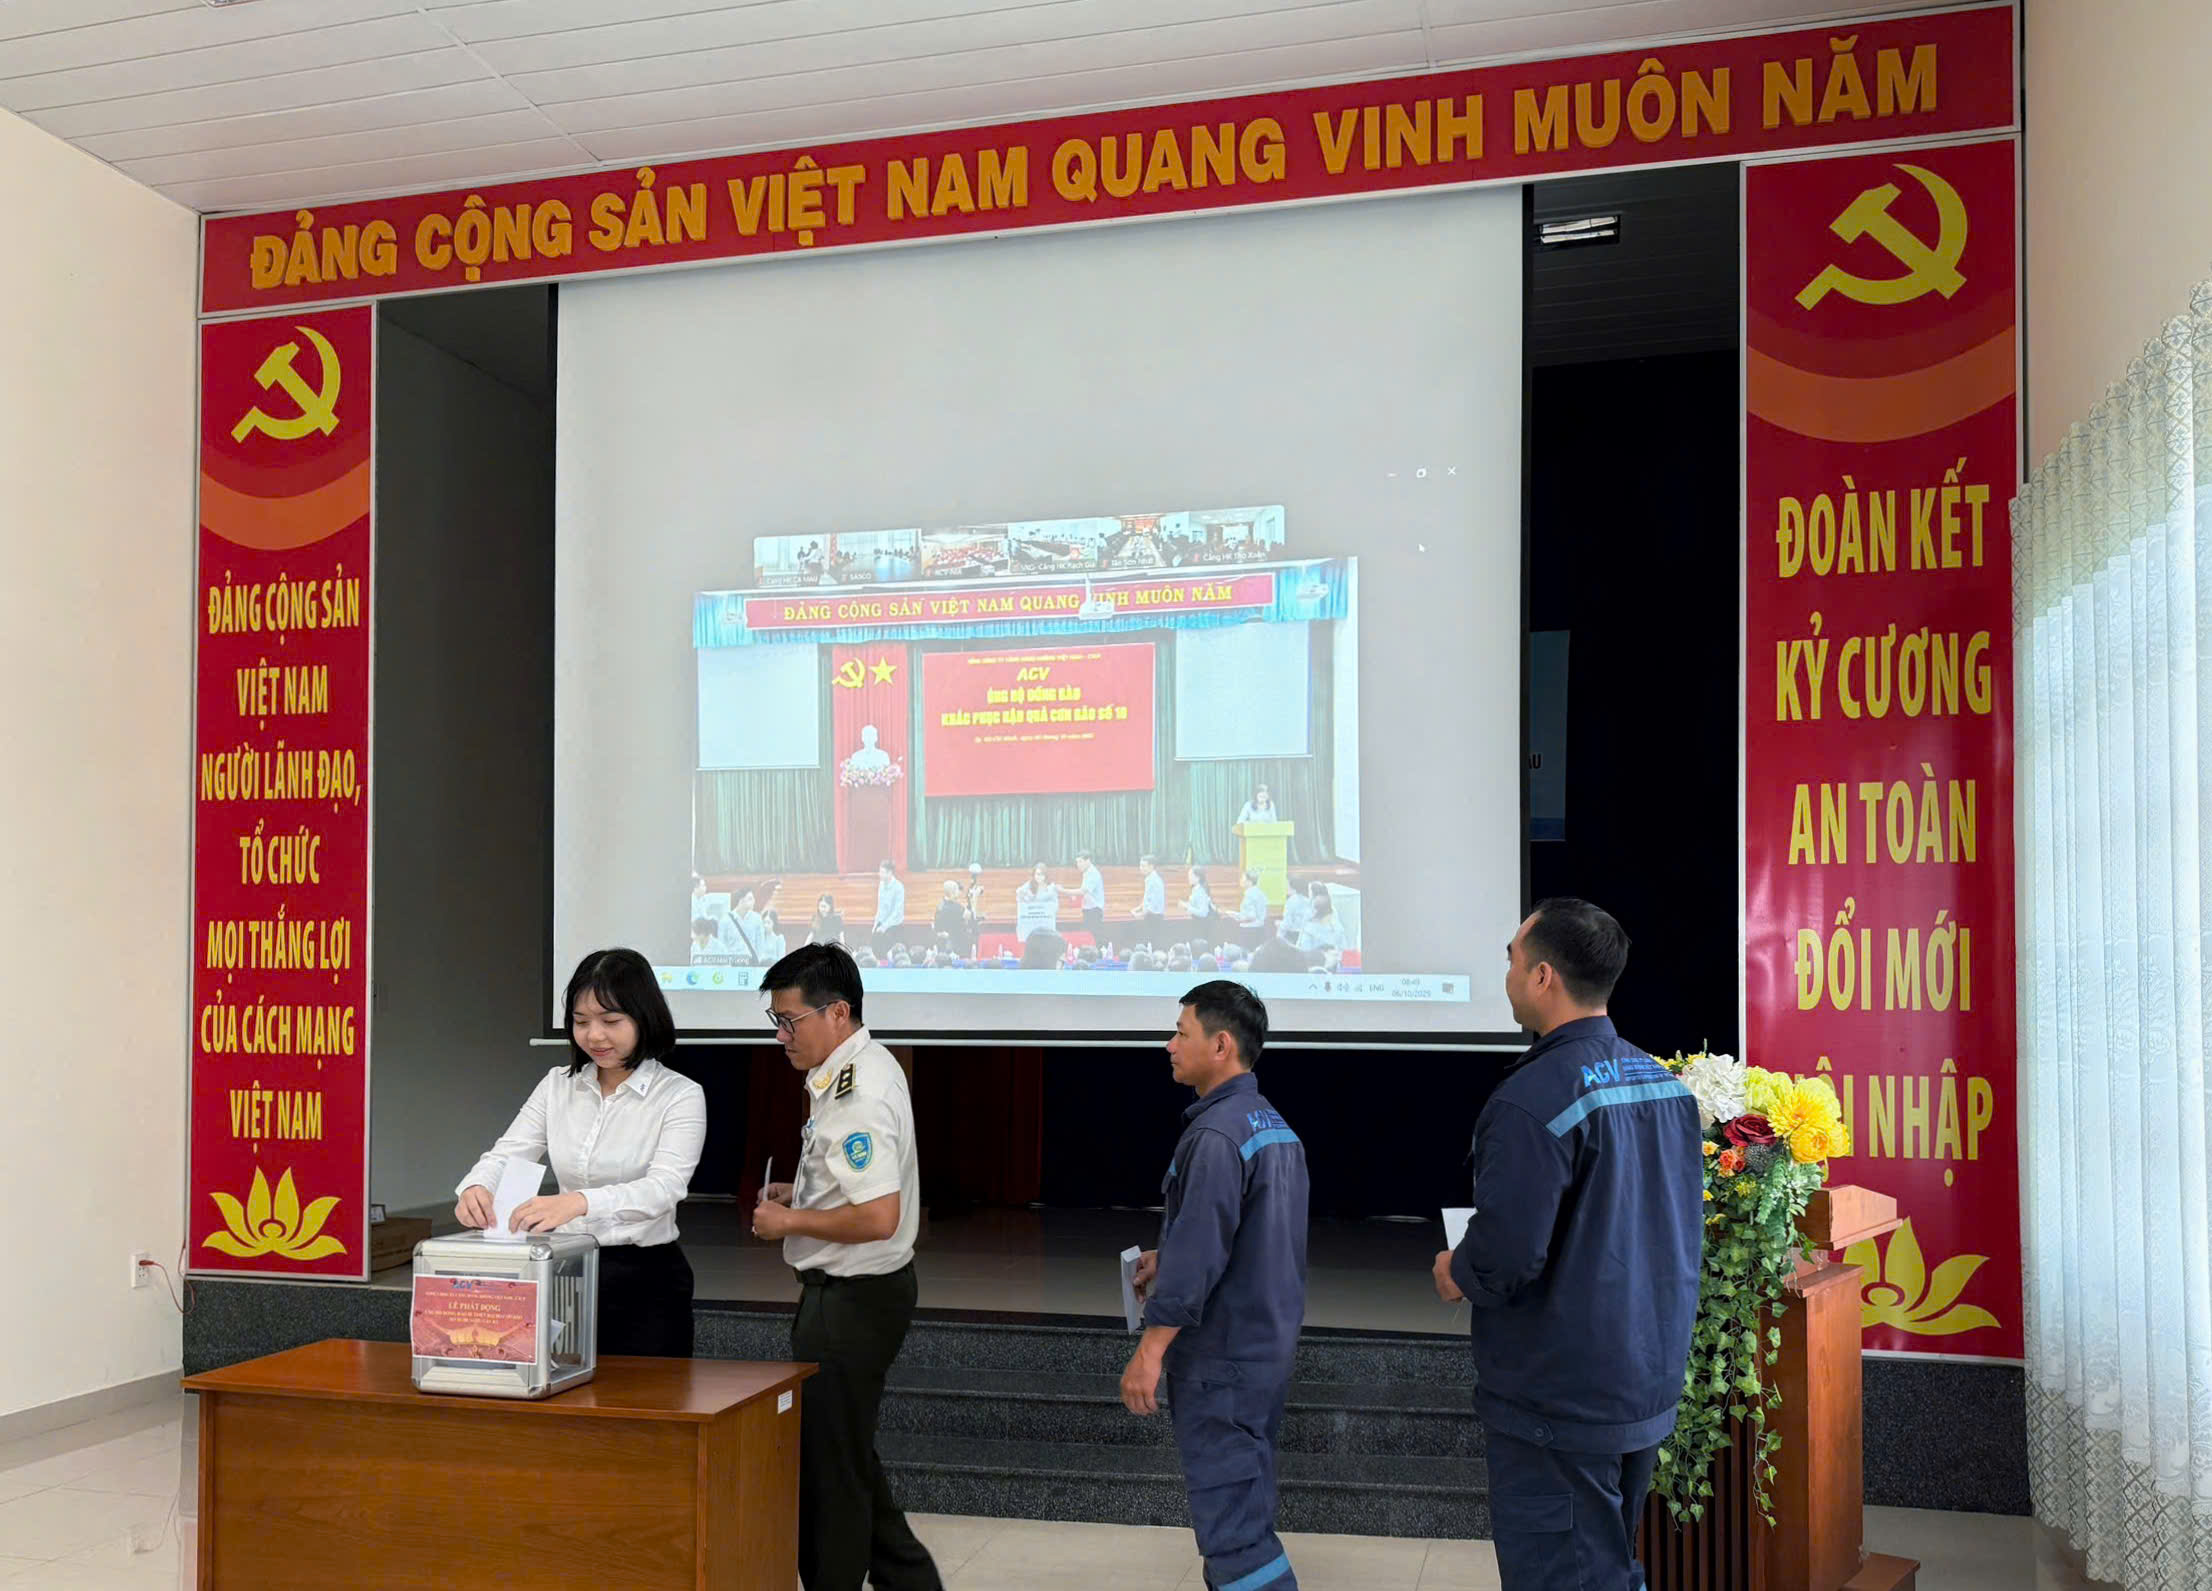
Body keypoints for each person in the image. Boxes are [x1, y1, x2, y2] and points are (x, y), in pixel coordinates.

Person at [1432, 899, 1703, 1590]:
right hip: (1640, 1380)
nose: (1507, 974)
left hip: (1559, 1400)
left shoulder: (1532, 1099)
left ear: (1543, 976)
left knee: (1566, 1574)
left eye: (1511, 959)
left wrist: (1458, 1269)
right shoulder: (1664, 1084)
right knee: (1605, 1564)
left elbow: (1508, 1254)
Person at [750, 945, 942, 1591]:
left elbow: (879, 1215)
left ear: (837, 1012)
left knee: (832, 1475)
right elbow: (852, 1189)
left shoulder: (857, 1092)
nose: (782, 1036)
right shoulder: (856, 1068)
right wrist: (800, 1197)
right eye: (776, 1021)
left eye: (790, 1021)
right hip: (851, 1293)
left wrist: (788, 1222)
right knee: (845, 1453)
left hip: (852, 1299)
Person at [1124, 982, 1308, 1591]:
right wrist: (1170, 1253)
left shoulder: (1215, 1136)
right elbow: (1246, 1238)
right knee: (1242, 1509)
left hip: (1221, 1362)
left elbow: (1203, 1252)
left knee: (1234, 1533)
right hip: (1262, 1353)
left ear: (1221, 1044)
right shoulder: (1273, 1126)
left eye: (1181, 1033)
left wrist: (1150, 1351)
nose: (1169, 1044)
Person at [455, 948, 704, 1357]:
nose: (594, 1036)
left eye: (611, 1021)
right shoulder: (557, 1085)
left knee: (645, 1394)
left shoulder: (680, 1095)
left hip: (645, 1279)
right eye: (581, 1021)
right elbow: (509, 1153)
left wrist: (578, 1202)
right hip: (564, 1268)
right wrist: (476, 1187)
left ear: (644, 1017)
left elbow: (664, 1188)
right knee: (562, 1387)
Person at [871, 859, 905, 959]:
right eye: (879, 871)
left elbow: (896, 912)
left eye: (882, 872)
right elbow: (880, 906)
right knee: (874, 946)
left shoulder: (899, 887)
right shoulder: (881, 884)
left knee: (885, 949)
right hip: (882, 922)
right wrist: (876, 924)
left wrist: (884, 927)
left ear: (890, 873)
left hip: (894, 925)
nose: (879, 874)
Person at [1134, 854, 1167, 940]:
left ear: (1151, 866)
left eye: (1143, 866)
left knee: (1153, 941)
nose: (1141, 868)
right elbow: (1147, 898)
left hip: (1154, 918)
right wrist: (1139, 908)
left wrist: (1140, 914)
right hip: (1151, 916)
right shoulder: (1150, 878)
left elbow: (1153, 904)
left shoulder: (1154, 881)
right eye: (1140, 865)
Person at [1075, 848, 1106, 938]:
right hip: (1090, 910)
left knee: (1093, 937)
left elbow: (1083, 891)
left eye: (1080, 862)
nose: (1078, 865)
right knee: (1089, 936)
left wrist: (1064, 891)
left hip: (1094, 912)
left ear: (1088, 861)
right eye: (1077, 862)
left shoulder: (1092, 874)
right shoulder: (1087, 872)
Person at [933, 879, 968, 945]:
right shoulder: (956, 907)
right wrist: (973, 900)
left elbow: (937, 929)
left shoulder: (940, 905)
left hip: (946, 942)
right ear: (952, 892)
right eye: (957, 890)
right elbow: (968, 917)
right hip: (956, 943)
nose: (959, 892)